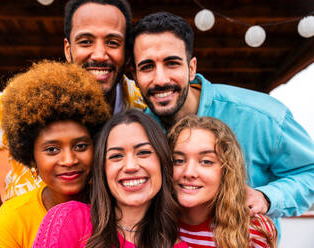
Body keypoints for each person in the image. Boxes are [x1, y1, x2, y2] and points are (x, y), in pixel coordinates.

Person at [130, 11, 314, 233]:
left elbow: (310, 172)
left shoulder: (262, 116)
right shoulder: (138, 133)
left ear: (191, 68)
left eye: (172, 63)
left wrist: (267, 197)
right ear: (135, 75)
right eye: (147, 66)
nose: (160, 79)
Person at [0, 0, 145, 216]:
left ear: (126, 50)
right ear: (68, 50)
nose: (99, 54)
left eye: (113, 42)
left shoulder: (139, 102)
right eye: (86, 42)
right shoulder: (37, 95)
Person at [0, 60, 111, 248]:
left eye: (81, 146)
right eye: (52, 149)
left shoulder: (116, 209)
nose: (69, 160)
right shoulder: (12, 219)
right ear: (31, 156)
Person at [32, 109, 187, 248]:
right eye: (116, 156)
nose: (130, 166)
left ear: (162, 162)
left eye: (143, 152)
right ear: (103, 170)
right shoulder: (69, 220)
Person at [168, 115, 277, 248]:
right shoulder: (151, 225)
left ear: (227, 170)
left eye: (206, 161)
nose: (188, 172)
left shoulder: (253, 230)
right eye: (178, 161)